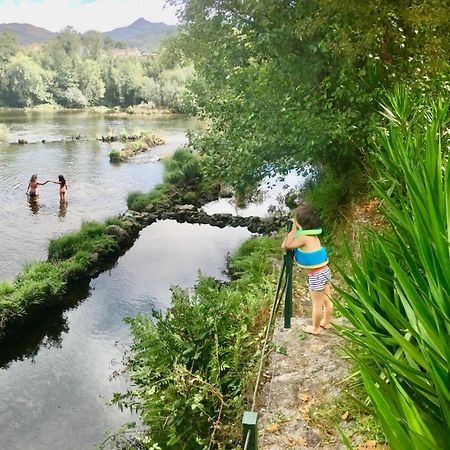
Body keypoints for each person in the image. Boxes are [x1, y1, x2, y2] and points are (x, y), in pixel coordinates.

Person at [281, 204, 332, 335]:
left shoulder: (303, 238)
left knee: (316, 303)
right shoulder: (313, 235)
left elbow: (286, 245)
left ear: (299, 221)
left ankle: (315, 328)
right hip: (325, 270)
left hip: (315, 275)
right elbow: (303, 231)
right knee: (327, 300)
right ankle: (326, 322)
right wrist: (298, 227)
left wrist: (292, 230)